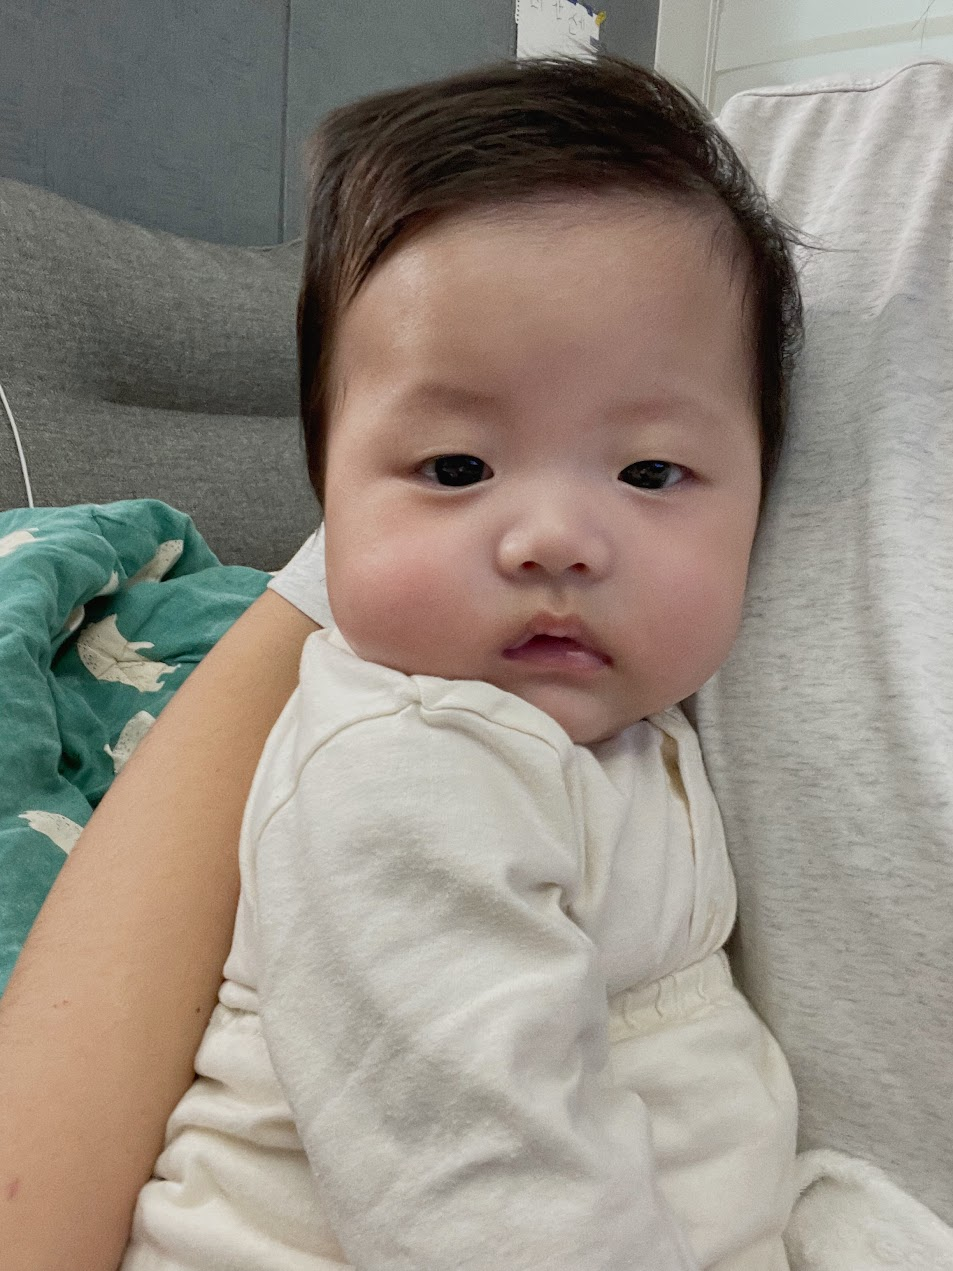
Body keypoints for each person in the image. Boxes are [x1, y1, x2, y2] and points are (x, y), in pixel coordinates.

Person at [2, 51, 950, 1271]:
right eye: (456, 468)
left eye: (648, 471)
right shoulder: (404, 773)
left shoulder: (624, 732)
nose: (552, 537)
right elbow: (484, 1199)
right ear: (325, 499)